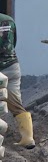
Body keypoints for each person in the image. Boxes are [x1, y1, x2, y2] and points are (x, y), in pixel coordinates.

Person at [0, 13, 34, 149]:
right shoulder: (8, 20)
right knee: (15, 103)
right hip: (12, 66)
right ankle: (28, 138)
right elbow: (13, 43)